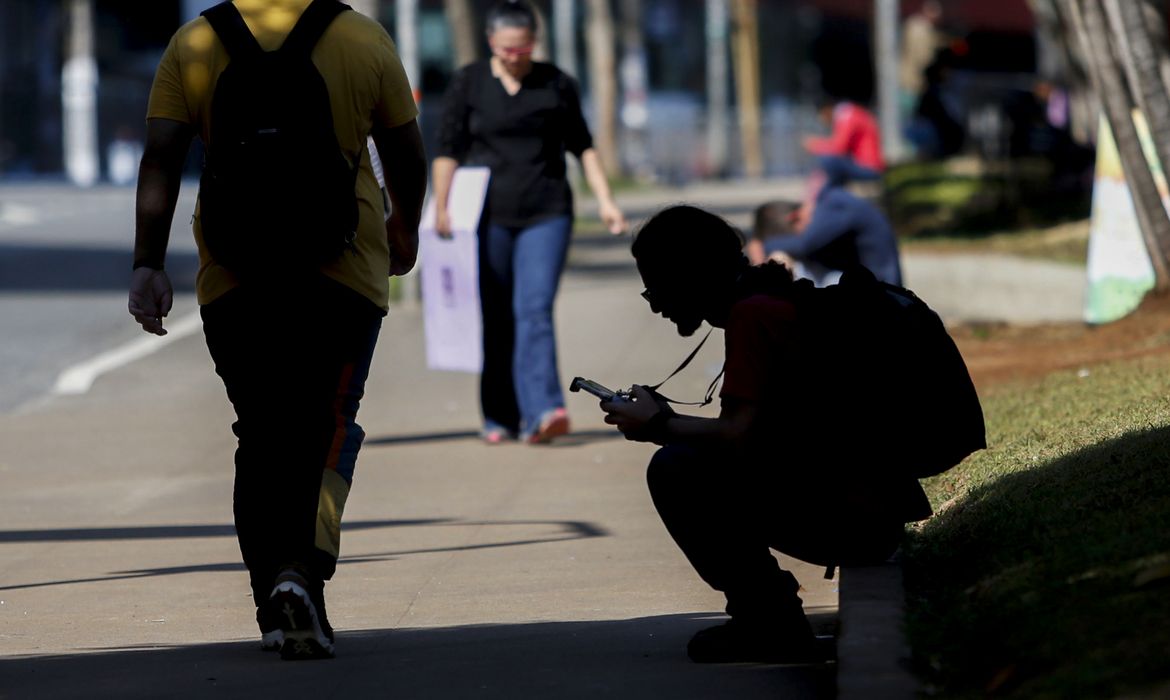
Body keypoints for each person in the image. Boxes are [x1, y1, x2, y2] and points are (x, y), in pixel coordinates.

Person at [127, 0, 426, 660]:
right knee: (328, 424)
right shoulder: (360, 37)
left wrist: (148, 263)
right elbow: (405, 149)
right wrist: (405, 225)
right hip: (343, 273)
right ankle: (301, 577)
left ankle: (273, 602)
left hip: (235, 276)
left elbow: (161, 158)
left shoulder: (197, 41)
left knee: (261, 432)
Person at [599, 205, 933, 664]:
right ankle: (768, 614)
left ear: (689, 275)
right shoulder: (774, 299)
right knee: (686, 455)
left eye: (656, 286)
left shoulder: (754, 317)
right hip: (871, 510)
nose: (655, 303)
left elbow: (738, 437)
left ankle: (768, 621)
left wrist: (658, 425)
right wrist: (667, 422)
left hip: (852, 519)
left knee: (676, 469)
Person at [432, 0, 627, 446]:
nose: (515, 59)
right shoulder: (470, 83)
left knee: (533, 310)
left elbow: (584, 146)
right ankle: (500, 415)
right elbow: (448, 149)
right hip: (487, 217)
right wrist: (442, 206)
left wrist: (607, 201)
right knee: (497, 316)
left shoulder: (556, 84)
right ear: (491, 44)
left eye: (522, 50)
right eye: (506, 51)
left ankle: (544, 410)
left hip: (547, 212)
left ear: (533, 44)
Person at [753, 186, 902, 287]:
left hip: (884, 295)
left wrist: (764, 245)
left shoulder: (832, 205)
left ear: (795, 218)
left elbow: (803, 245)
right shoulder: (830, 207)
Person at [802, 98, 885, 188]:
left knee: (828, 160)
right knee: (828, 167)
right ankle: (830, 194)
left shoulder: (846, 115)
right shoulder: (850, 113)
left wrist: (815, 145)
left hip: (869, 168)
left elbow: (839, 148)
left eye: (822, 116)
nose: (823, 121)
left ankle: (830, 194)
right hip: (865, 165)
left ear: (827, 110)